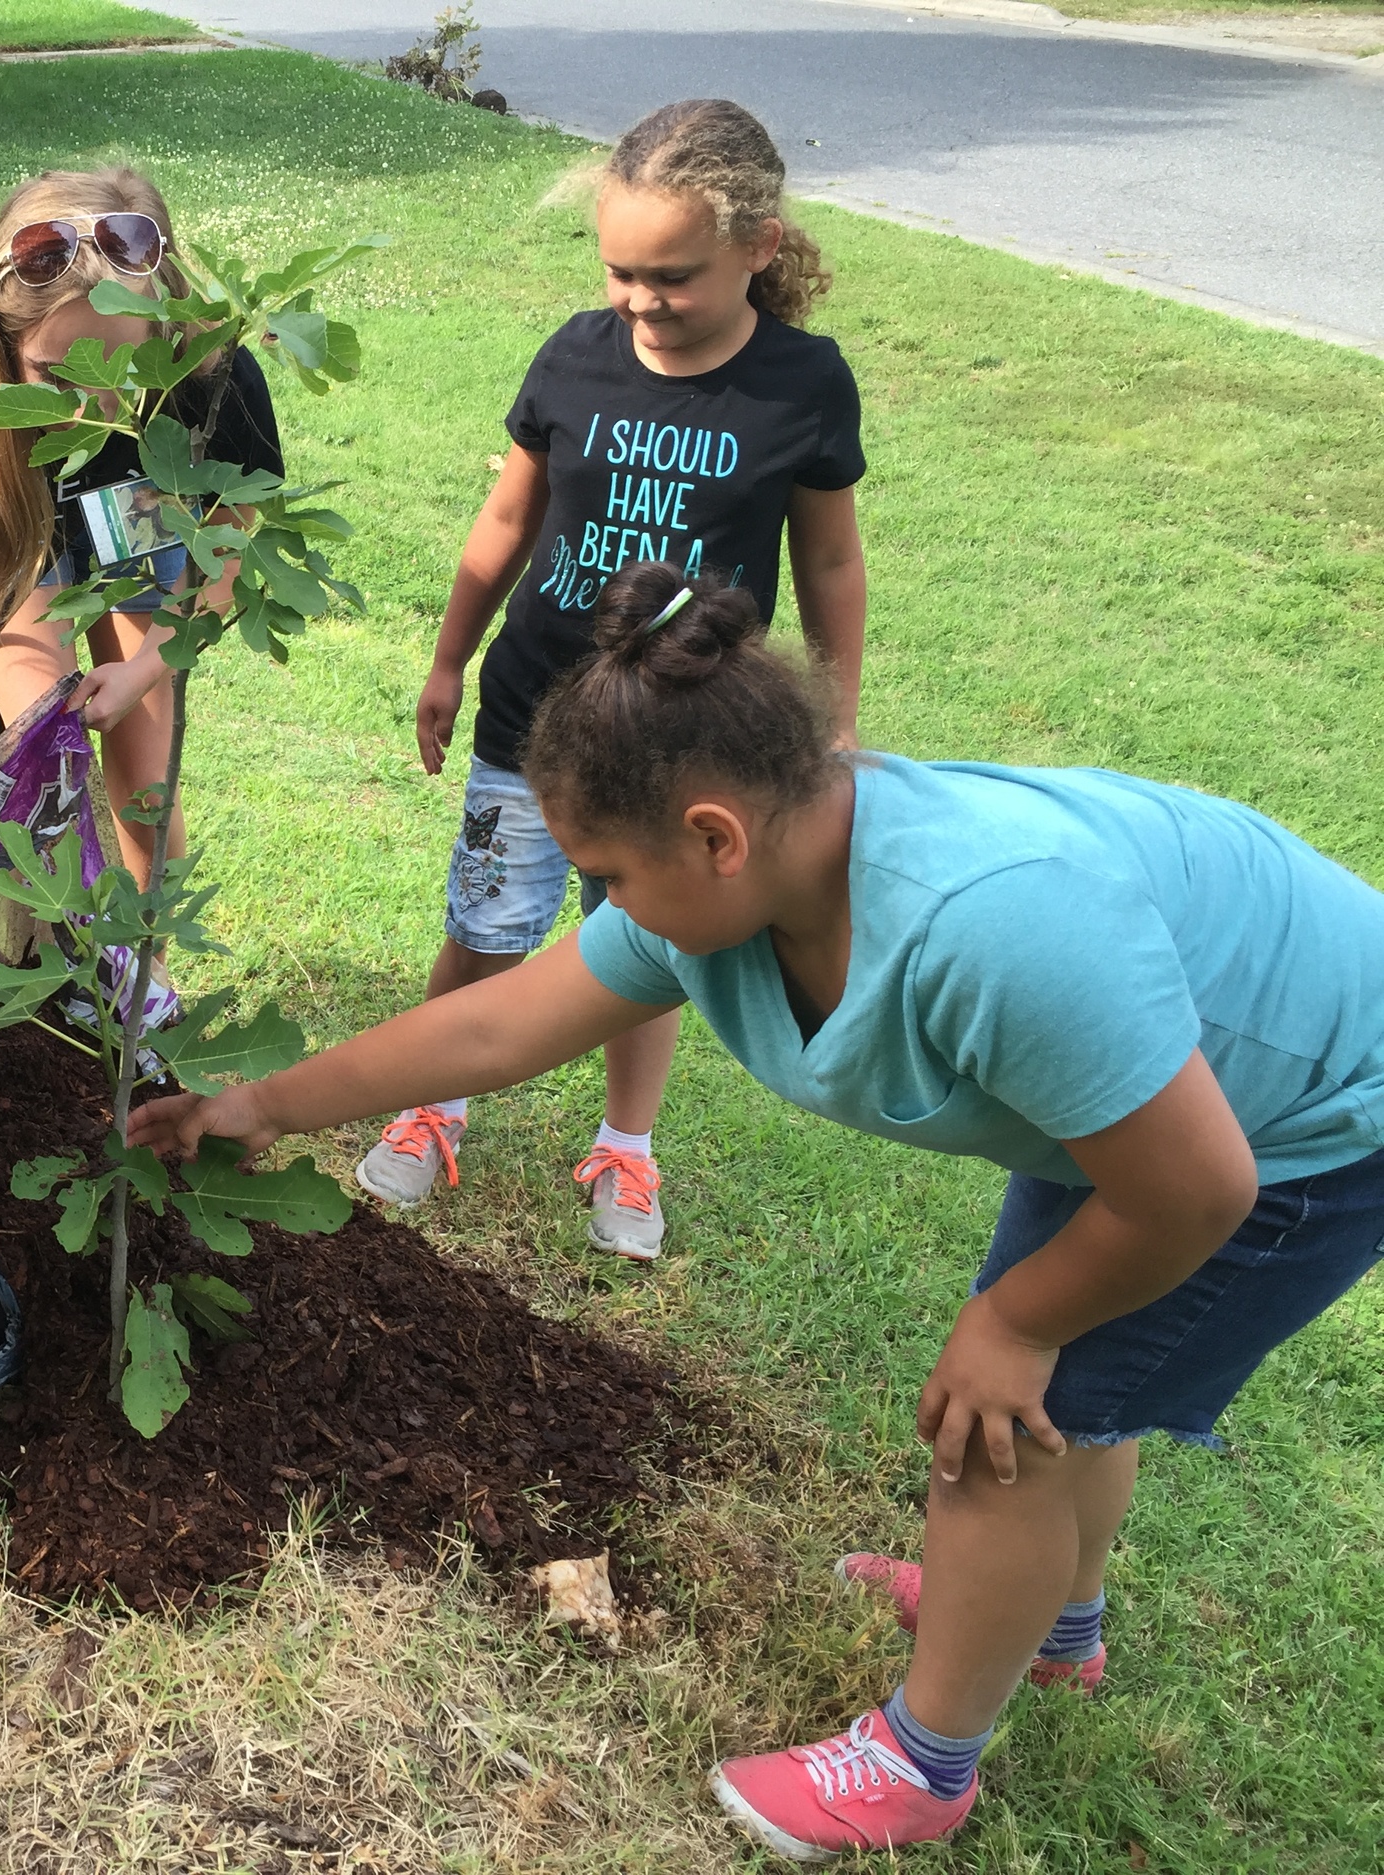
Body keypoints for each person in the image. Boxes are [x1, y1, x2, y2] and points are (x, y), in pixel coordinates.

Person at [134, 563, 1384, 1860]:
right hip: (1149, 1099)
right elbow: (502, 1022)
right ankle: (1048, 1631)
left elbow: (1194, 1188)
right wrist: (268, 1100)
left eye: (607, 873)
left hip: (1310, 1124)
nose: (604, 905)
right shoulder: (733, 891)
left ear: (716, 834)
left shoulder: (987, 923)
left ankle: (922, 1761)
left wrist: (1013, 1322)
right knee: (1066, 1386)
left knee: (1010, 1422)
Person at [362, 98, 867, 1263]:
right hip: (537, 713)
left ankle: (625, 1144)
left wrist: (832, 716)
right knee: (487, 920)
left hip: (694, 729)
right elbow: (505, 517)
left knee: (652, 943)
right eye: (621, 271)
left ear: (760, 247)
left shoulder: (801, 385)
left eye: (673, 275)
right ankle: (438, 1098)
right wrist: (446, 658)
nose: (641, 300)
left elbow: (829, 557)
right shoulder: (574, 354)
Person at [0, 166, 284, 890]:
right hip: (19, 515)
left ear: (163, 325)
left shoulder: (209, 377)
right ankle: (44, 951)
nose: (97, 408)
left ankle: (144, 977)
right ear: (4, 341)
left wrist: (142, 670)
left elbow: (227, 541)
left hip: (136, 502)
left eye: (125, 369)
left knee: (146, 773)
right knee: (38, 751)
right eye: (61, 377)